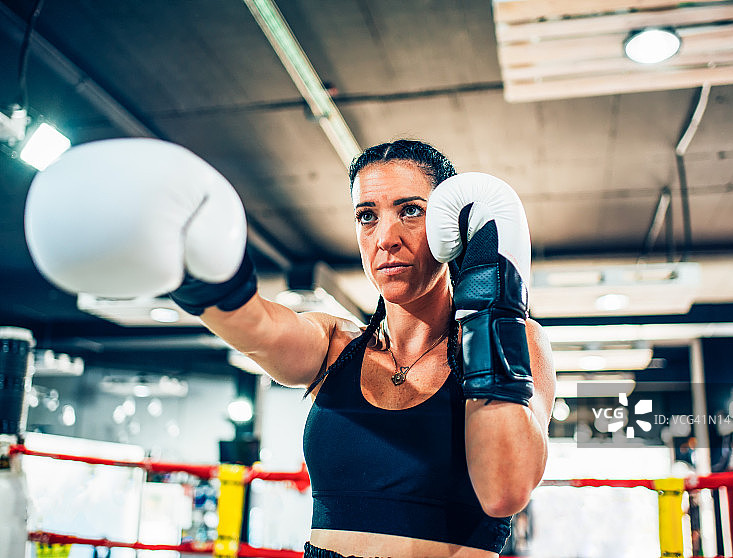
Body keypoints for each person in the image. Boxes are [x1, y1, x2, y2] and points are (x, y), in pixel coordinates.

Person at [24, 138, 555, 558]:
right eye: (366, 215)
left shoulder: (516, 343)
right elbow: (255, 324)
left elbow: (503, 492)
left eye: (410, 211)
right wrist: (195, 267)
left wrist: (490, 305)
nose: (385, 237)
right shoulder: (334, 345)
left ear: (450, 223)